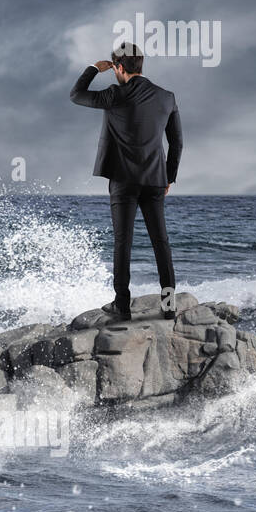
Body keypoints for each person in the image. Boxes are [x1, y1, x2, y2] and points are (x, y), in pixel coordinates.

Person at [69, 41, 182, 321]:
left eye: (114, 69)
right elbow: (177, 142)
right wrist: (169, 176)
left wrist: (94, 68)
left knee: (123, 242)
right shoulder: (167, 97)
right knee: (161, 241)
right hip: (156, 179)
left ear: (119, 67)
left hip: (123, 180)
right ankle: (168, 305)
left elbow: (76, 95)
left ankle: (122, 306)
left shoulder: (114, 95)